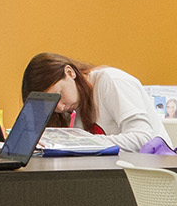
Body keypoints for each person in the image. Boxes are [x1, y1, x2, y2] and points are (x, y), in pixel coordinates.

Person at [20, 53, 164, 151]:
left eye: (58, 94)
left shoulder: (111, 81)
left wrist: (87, 142)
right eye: (50, 103)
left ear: (70, 73)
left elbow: (143, 139)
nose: (59, 106)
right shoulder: (71, 106)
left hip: (151, 173)